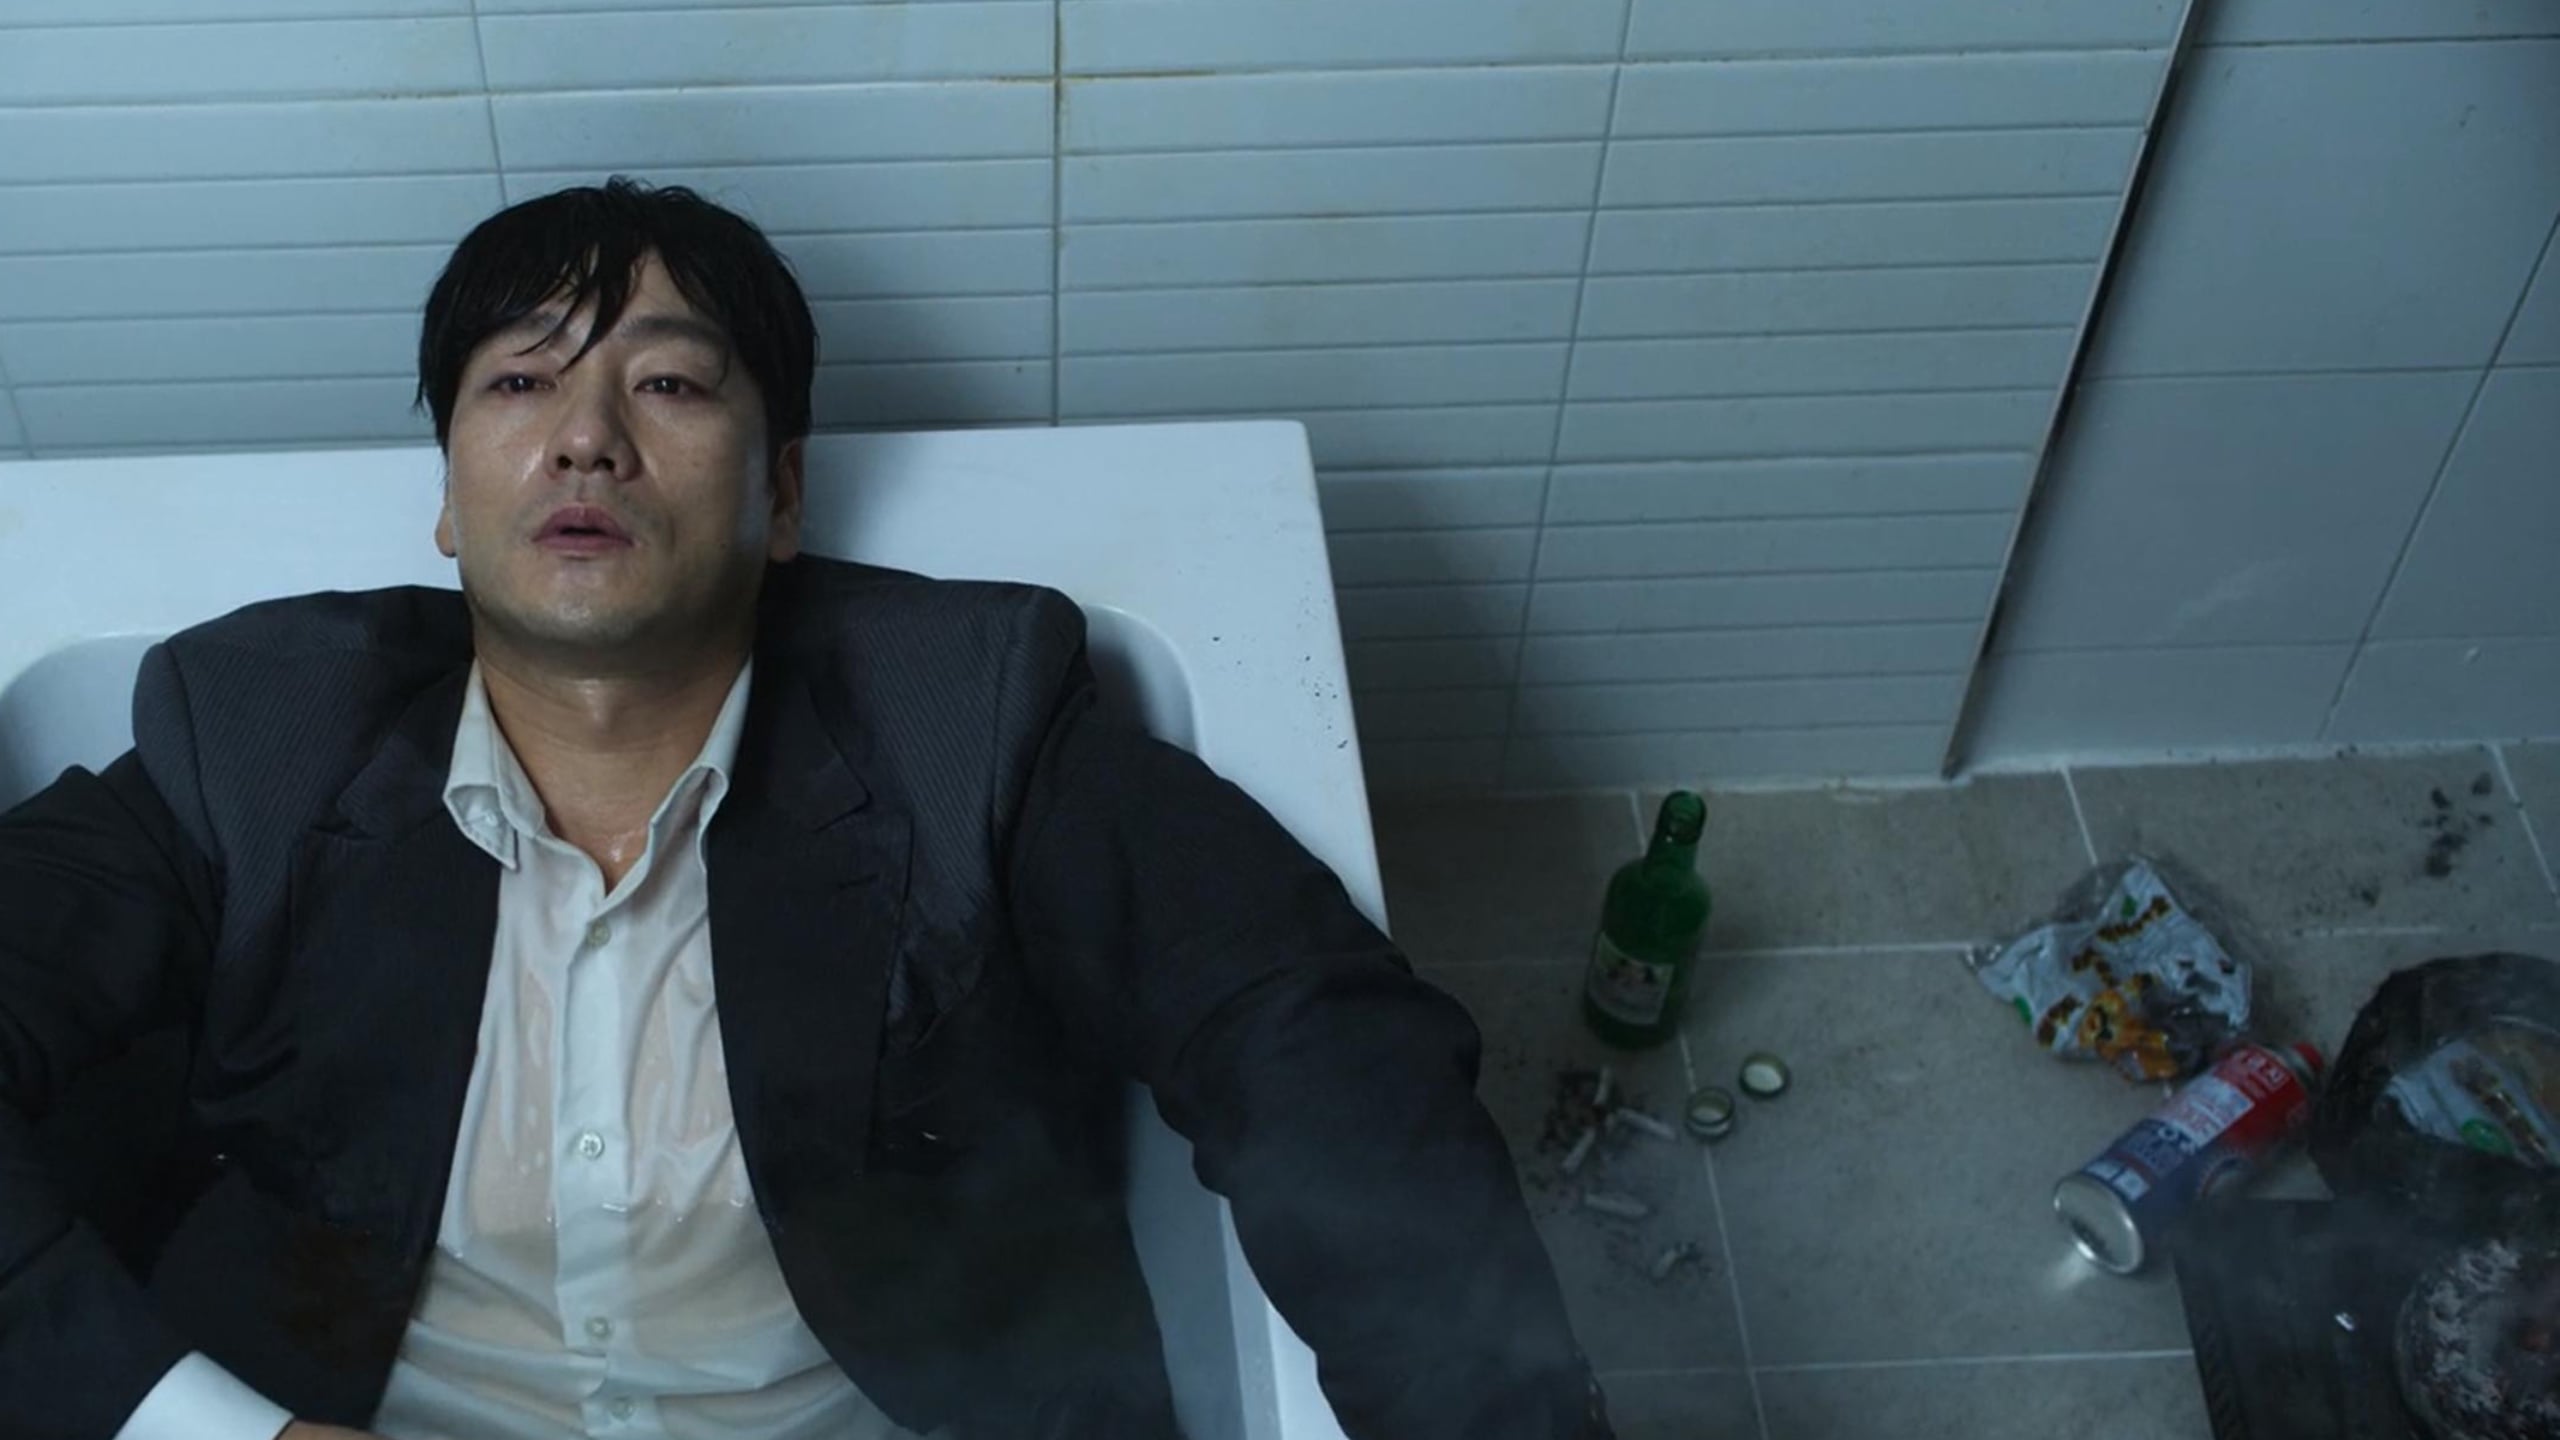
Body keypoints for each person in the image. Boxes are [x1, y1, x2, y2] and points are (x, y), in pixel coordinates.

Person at [0, 178, 1611, 1440]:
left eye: (668, 382)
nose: (586, 436)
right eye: (522, 380)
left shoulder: (962, 722)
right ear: (448, 496)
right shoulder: (260, 742)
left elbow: (1307, 1036)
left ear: (780, 497)